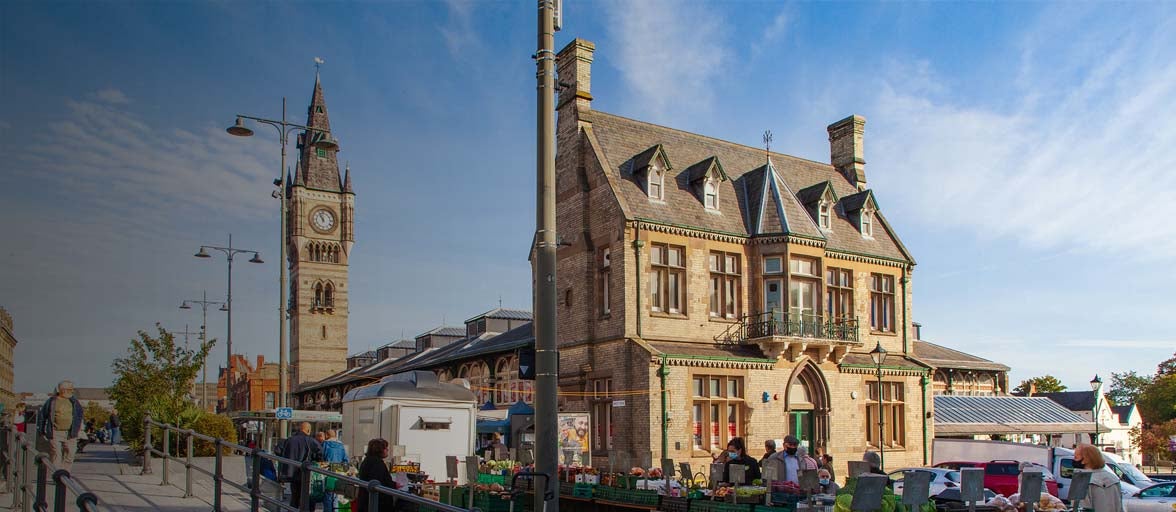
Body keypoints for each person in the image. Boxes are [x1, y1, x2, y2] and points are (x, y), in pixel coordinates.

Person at [36, 380, 84, 471]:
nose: (72, 391)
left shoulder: (74, 401)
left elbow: (80, 414)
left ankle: (65, 473)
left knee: (70, 454)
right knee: (56, 454)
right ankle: (56, 474)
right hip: (55, 431)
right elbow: (43, 415)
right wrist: (41, 430)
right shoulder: (52, 401)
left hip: (70, 432)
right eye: (70, 389)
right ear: (63, 390)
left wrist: (77, 428)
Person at [280, 422, 322, 509]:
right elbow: (320, 454)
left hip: (291, 472)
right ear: (308, 430)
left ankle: (293, 509)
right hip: (306, 473)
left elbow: (278, 450)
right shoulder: (311, 441)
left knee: (294, 497)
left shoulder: (290, 440)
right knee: (307, 497)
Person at [1073, 443, 1125, 512]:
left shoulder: (1081, 479)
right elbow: (1119, 506)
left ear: (1086, 459)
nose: (1073, 459)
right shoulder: (1113, 478)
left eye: (1076, 457)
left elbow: (1080, 508)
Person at [355, 438, 402, 512]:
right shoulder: (377, 463)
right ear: (379, 450)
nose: (387, 450)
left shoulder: (367, 461)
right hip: (377, 504)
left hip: (365, 501)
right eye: (386, 448)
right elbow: (379, 482)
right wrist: (394, 485)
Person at [320, 429, 348, 512]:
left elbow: (321, 457)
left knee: (328, 494)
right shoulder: (341, 445)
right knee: (336, 493)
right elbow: (346, 460)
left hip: (327, 471)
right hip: (338, 471)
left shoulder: (324, 444)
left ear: (327, 435)